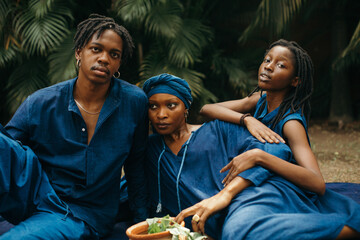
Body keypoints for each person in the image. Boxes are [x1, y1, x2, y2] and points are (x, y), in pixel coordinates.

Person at [143, 73, 360, 240]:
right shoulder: (150, 150)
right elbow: (133, 187)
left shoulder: (217, 129)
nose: (161, 114)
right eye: (153, 107)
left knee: (238, 231)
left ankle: (350, 228)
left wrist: (226, 194)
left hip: (250, 195)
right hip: (217, 219)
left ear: (186, 108)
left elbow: (277, 149)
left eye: (171, 105)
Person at [1, 14, 148, 239]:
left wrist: (141, 225)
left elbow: (136, 166)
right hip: (35, 193)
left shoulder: (134, 102)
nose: (104, 58)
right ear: (79, 52)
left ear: (118, 63)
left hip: (80, 213)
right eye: (96, 49)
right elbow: (9, 156)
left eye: (114, 54)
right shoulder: (42, 101)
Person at [200, 39, 325, 195]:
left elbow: (317, 182)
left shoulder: (291, 123)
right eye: (267, 60)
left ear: (295, 81)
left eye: (281, 65)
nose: (268, 67)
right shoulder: (260, 100)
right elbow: (207, 109)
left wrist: (260, 157)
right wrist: (247, 119)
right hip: (253, 176)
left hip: (279, 186)